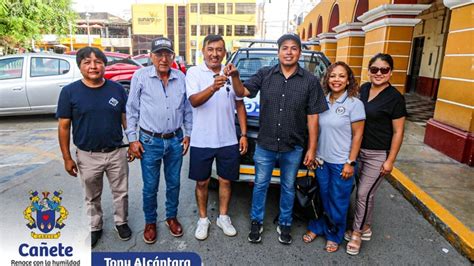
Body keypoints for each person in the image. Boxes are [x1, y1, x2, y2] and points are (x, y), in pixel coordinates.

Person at [229, 33, 328, 245]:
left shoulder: (310, 81)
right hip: (265, 144)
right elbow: (243, 91)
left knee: (288, 186)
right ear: (279, 51)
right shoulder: (265, 74)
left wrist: (312, 149)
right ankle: (256, 222)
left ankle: (285, 223)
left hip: (293, 146)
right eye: (285, 48)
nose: (289, 52)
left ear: (299, 52)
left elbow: (313, 118)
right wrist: (236, 75)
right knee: (260, 185)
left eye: (293, 48)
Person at [56, 47, 132, 247]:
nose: (93, 66)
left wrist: (133, 142)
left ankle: (121, 222)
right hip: (87, 155)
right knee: (91, 195)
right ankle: (95, 226)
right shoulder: (69, 92)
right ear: (80, 66)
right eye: (87, 62)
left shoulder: (116, 89)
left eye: (98, 62)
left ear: (104, 65)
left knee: (121, 192)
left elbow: (125, 118)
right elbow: (64, 127)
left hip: (116, 152)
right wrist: (66, 157)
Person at [126, 37, 192, 244]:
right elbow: (131, 110)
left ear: (173, 56)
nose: (163, 58)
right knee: (150, 186)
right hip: (149, 141)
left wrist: (188, 134)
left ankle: (171, 218)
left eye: (167, 54)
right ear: (151, 56)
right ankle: (150, 222)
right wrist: (132, 139)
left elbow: (188, 109)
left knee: (174, 184)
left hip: (175, 140)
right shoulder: (141, 76)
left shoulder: (181, 77)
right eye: (159, 54)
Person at [185, 34, 248, 241]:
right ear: (203, 51)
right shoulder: (194, 72)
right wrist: (213, 87)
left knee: (226, 181)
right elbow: (194, 101)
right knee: (202, 183)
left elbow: (240, 103)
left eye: (219, 50)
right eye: (210, 49)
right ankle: (203, 219)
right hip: (202, 140)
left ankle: (223, 216)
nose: (214, 54)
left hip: (228, 139)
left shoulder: (231, 72)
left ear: (225, 53)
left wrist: (244, 134)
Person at [345, 53, 407, 255]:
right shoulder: (363, 89)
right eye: (374, 69)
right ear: (369, 70)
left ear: (391, 72)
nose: (379, 73)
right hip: (357, 151)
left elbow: (398, 132)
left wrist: (390, 160)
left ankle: (356, 233)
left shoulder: (395, 98)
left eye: (384, 70)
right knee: (366, 193)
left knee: (363, 193)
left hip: (378, 154)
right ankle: (366, 226)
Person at [302, 62, 365, 253]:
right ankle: (319, 226)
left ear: (348, 81)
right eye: (332, 76)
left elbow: (358, 136)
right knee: (322, 197)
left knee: (338, 200)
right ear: (327, 79)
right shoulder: (322, 100)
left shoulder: (354, 103)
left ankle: (334, 235)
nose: (336, 80)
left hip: (341, 163)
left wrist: (350, 162)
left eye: (341, 76)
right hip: (321, 161)